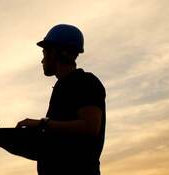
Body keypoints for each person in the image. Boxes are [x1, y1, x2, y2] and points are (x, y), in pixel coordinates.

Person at [15, 24, 106, 175]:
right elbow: (61, 142)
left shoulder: (85, 82)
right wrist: (19, 141)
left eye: (44, 53)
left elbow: (90, 127)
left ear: (56, 52)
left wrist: (43, 123)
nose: (42, 60)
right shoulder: (62, 87)